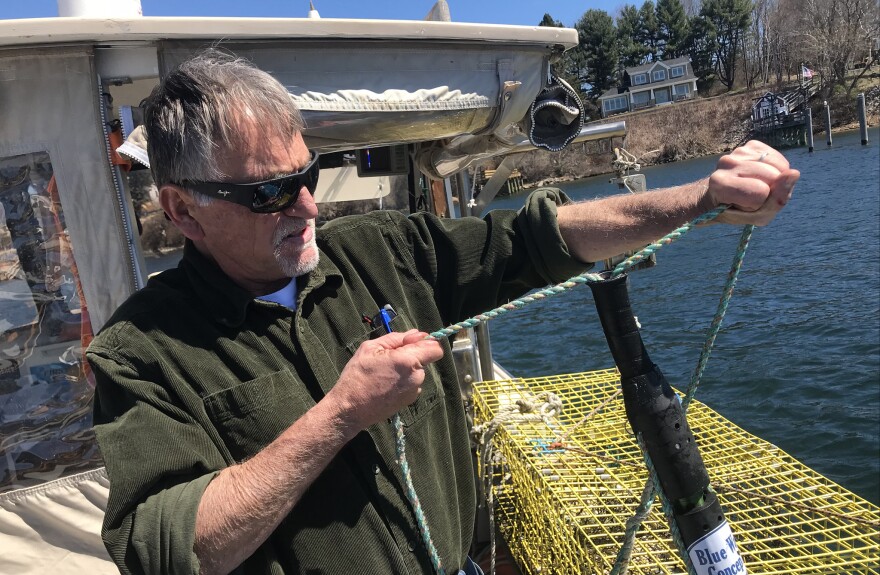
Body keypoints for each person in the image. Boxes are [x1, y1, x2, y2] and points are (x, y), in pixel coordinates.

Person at [87, 50, 799, 575]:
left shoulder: (382, 249)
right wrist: (340, 413)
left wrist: (704, 200)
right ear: (184, 209)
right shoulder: (141, 352)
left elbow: (539, 239)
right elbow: (166, 546)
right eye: (270, 192)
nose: (309, 205)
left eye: (306, 176)